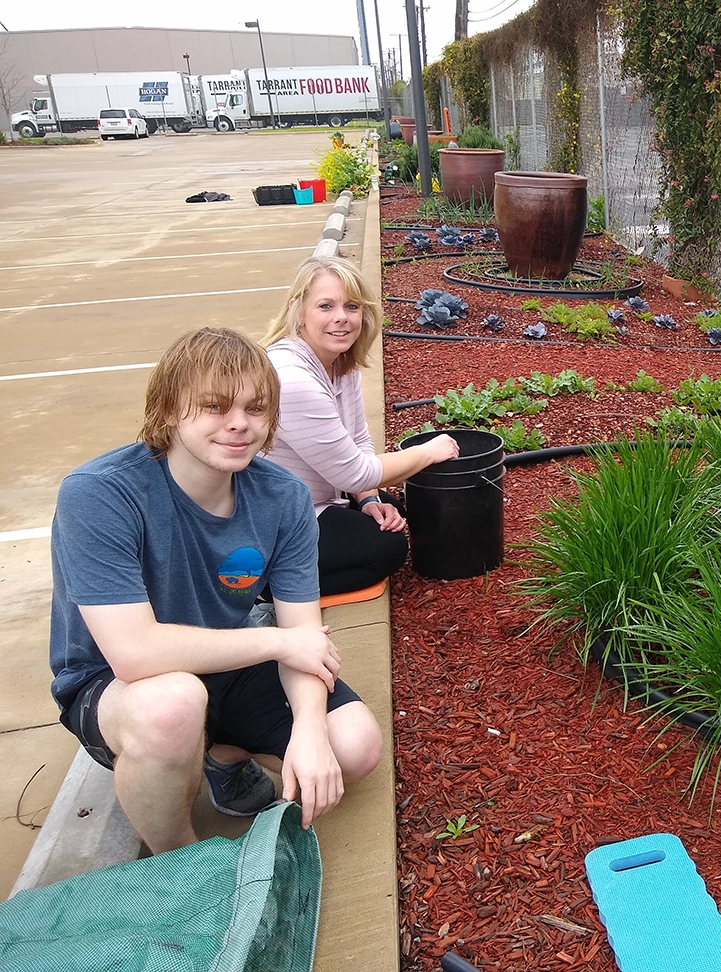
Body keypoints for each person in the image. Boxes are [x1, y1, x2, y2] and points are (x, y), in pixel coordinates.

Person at [48, 328, 382, 854]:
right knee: (173, 706)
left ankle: (220, 755)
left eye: (255, 407)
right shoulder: (100, 494)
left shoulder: (282, 496)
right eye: (213, 406)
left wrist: (311, 731)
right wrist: (277, 643)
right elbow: (134, 653)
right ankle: (179, 862)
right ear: (167, 409)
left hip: (224, 655)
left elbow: (304, 634)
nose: (238, 424)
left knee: (355, 747)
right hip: (117, 683)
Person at [261, 255, 459, 596]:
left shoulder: (339, 361)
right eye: (326, 306)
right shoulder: (291, 378)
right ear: (299, 310)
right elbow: (354, 473)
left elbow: (359, 444)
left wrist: (368, 500)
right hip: (274, 521)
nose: (341, 318)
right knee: (385, 551)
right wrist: (427, 452)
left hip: (323, 494)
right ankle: (263, 586)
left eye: (352, 306)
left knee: (389, 512)